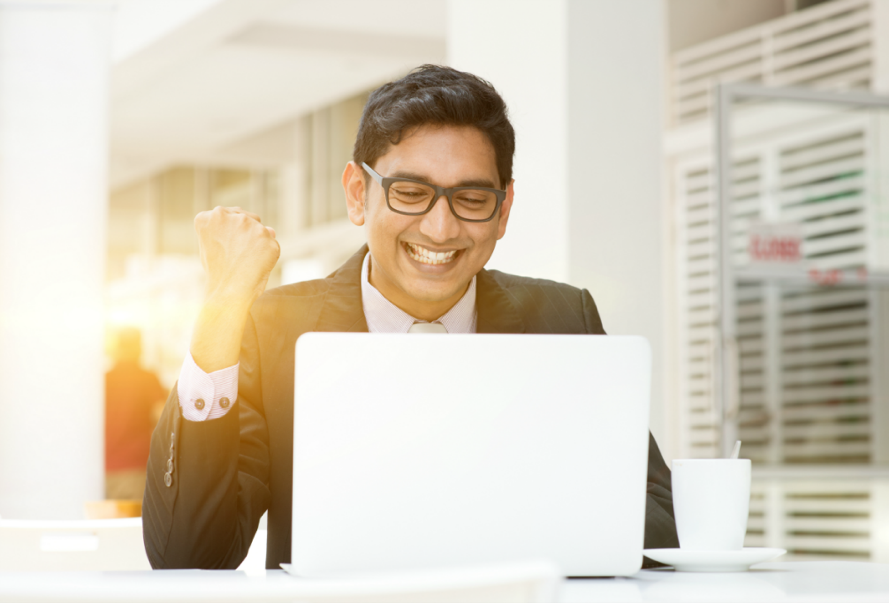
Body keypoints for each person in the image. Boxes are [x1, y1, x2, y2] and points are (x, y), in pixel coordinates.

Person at [143, 65, 679, 569]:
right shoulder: (275, 329)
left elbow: (661, 525)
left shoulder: (564, 319)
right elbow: (191, 556)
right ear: (358, 193)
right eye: (412, 193)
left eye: (471, 198)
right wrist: (222, 307)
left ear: (505, 209)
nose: (441, 229)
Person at [106, 327, 166, 500]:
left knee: (104, 525)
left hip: (100, 468)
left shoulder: (102, 380)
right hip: (134, 468)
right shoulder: (147, 378)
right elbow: (161, 417)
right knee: (132, 525)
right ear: (139, 348)